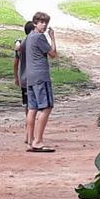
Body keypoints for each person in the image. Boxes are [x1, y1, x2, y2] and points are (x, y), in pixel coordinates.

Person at [23, 11, 57, 152]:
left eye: (45, 23)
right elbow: (53, 54)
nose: (44, 25)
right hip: (41, 76)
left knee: (32, 108)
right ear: (35, 23)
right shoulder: (39, 37)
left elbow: (21, 49)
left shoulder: (29, 36)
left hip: (30, 77)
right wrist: (53, 38)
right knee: (47, 107)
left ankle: (30, 140)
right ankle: (38, 140)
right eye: (41, 22)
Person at [13, 21, 35, 144]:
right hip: (33, 79)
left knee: (28, 106)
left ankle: (28, 132)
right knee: (34, 107)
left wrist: (16, 78)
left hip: (24, 79)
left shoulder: (20, 45)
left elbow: (15, 64)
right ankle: (29, 134)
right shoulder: (35, 44)